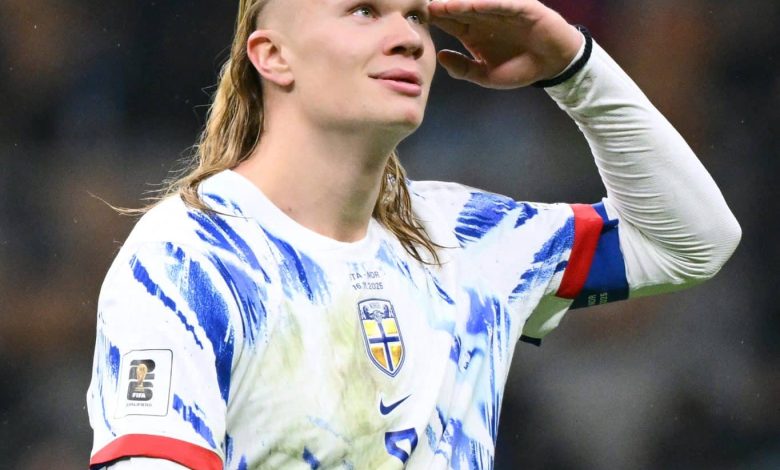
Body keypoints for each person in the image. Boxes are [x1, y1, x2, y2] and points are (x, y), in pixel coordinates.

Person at [86, 0, 741, 468]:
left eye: (417, 17)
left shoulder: (465, 237)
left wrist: (574, 67)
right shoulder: (189, 256)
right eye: (366, 11)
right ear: (272, 54)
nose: (408, 38)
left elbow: (692, 239)